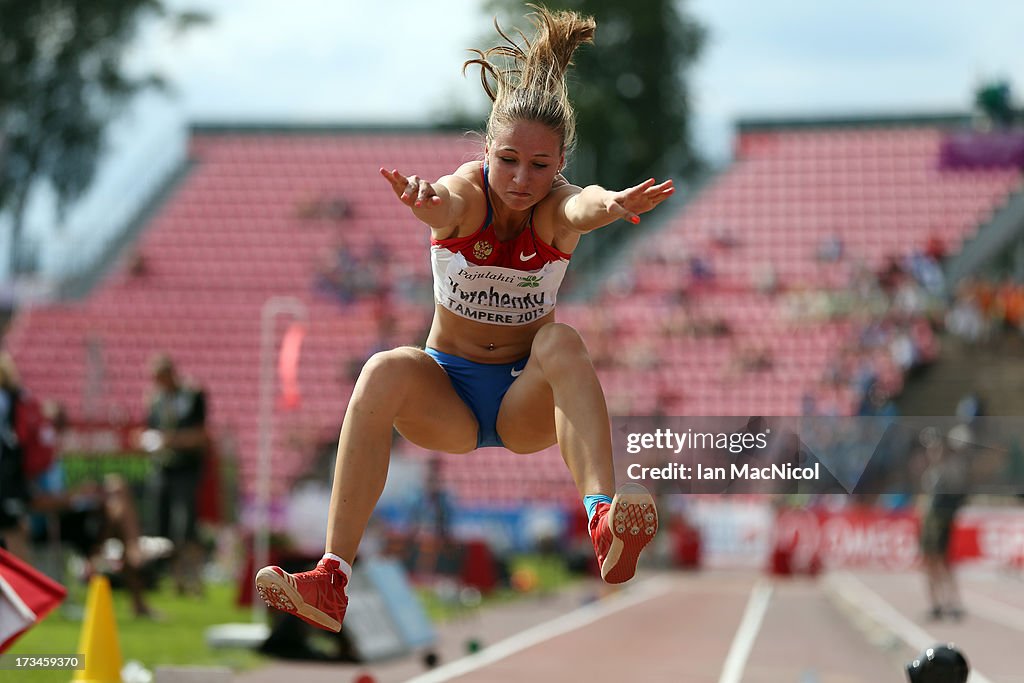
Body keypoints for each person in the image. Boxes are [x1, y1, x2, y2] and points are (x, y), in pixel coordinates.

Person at [255, 5, 673, 633]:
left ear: (559, 162)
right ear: (486, 152)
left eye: (540, 165)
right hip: (445, 397)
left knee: (560, 341)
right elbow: (446, 200)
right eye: (508, 160)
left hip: (522, 402)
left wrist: (609, 203)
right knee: (382, 369)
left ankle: (602, 521)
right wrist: (427, 203)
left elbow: (583, 207)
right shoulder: (467, 194)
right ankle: (332, 578)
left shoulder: (558, 208)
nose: (522, 178)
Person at [140, 353, 209, 596]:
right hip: (163, 469)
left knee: (187, 525)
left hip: (187, 469)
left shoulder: (192, 396)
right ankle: (177, 579)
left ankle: (195, 579)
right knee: (164, 525)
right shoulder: (155, 401)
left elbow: (201, 436)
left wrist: (170, 440)